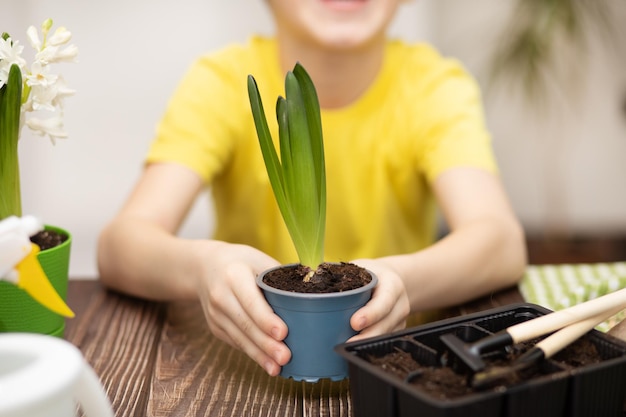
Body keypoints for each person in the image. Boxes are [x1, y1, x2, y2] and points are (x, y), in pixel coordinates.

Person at [97, 0, 527, 377]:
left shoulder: (433, 85)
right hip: (251, 364)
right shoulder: (220, 82)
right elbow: (120, 246)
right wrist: (203, 266)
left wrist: (403, 279)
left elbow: (501, 242)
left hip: (393, 362)